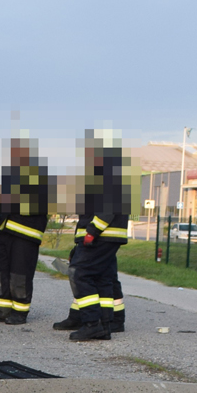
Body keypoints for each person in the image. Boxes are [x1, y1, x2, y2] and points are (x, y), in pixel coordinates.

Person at [53, 132, 130, 341]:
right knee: (102, 279)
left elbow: (108, 208)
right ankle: (103, 325)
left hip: (100, 235)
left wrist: (92, 231)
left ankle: (92, 323)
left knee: (80, 273)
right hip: (104, 236)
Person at [0, 137, 50, 326]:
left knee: (20, 274)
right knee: (0, 272)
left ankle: (20, 312)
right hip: (5, 231)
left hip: (25, 234)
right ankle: (1, 309)